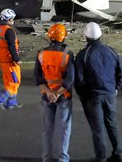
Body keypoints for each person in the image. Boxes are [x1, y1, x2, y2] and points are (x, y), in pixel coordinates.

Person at [75, 22, 122, 162]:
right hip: (109, 94)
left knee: (98, 129)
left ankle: (101, 158)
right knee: (112, 124)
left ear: (86, 36)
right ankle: (118, 155)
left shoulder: (83, 55)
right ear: (100, 35)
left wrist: (83, 96)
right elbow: (121, 71)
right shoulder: (111, 51)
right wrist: (116, 87)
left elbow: (78, 80)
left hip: (93, 96)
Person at [34, 23, 75, 162]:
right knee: (64, 129)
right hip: (63, 96)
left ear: (49, 36)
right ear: (63, 37)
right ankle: (63, 158)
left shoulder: (41, 53)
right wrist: (57, 94)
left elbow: (38, 78)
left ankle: (46, 157)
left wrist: (49, 93)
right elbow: (69, 80)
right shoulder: (67, 54)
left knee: (47, 129)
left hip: (46, 96)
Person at [0, 8, 22, 109]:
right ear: (8, 19)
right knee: (15, 81)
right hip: (10, 61)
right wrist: (16, 59)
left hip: (3, 60)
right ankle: (1, 97)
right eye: (12, 19)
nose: (13, 21)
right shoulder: (9, 31)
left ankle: (12, 102)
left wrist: (1, 54)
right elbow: (11, 47)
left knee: (8, 82)